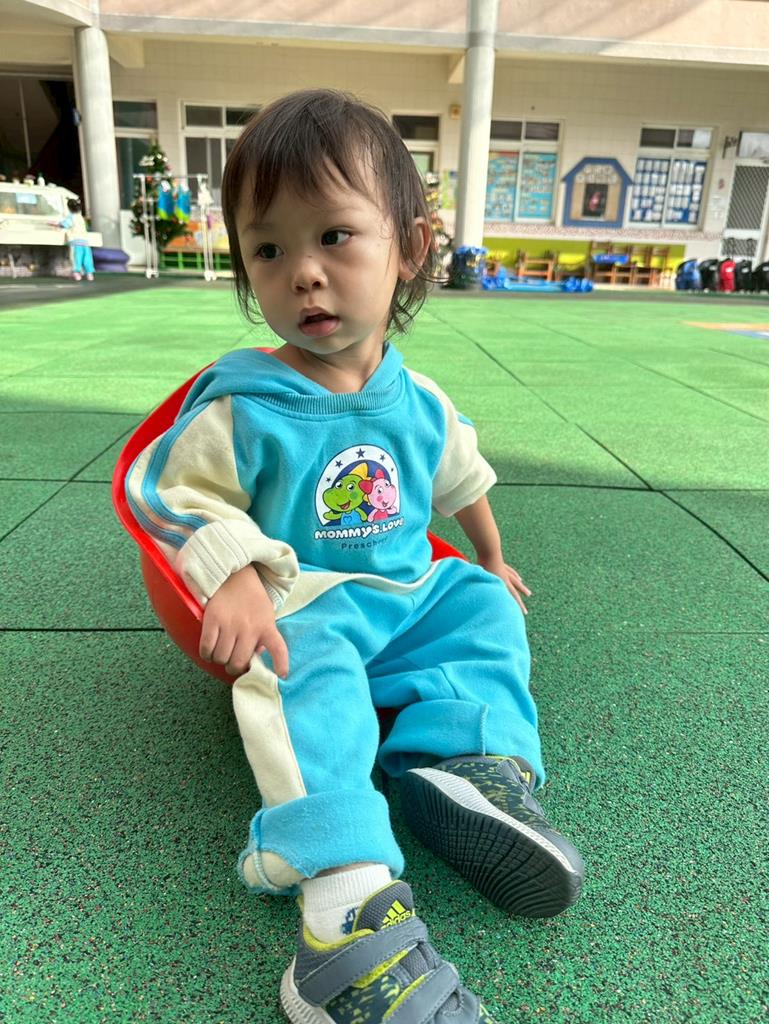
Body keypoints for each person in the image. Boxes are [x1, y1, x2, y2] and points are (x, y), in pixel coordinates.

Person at [126, 89, 585, 1024]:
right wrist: (237, 573)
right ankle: (342, 907)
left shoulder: (418, 399)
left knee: (479, 606)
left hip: (404, 593)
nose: (303, 273)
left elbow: (461, 480)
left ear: (408, 247)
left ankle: (465, 761)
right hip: (304, 601)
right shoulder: (244, 402)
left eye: (334, 236)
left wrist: (489, 558)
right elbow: (163, 488)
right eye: (268, 250)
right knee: (304, 661)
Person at [57, 197, 95, 281]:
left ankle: (76, 274)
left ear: (69, 208)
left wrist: (56, 224)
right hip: (85, 241)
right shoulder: (81, 217)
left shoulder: (71, 217)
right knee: (87, 258)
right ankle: (89, 274)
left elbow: (64, 225)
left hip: (75, 241)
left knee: (76, 258)